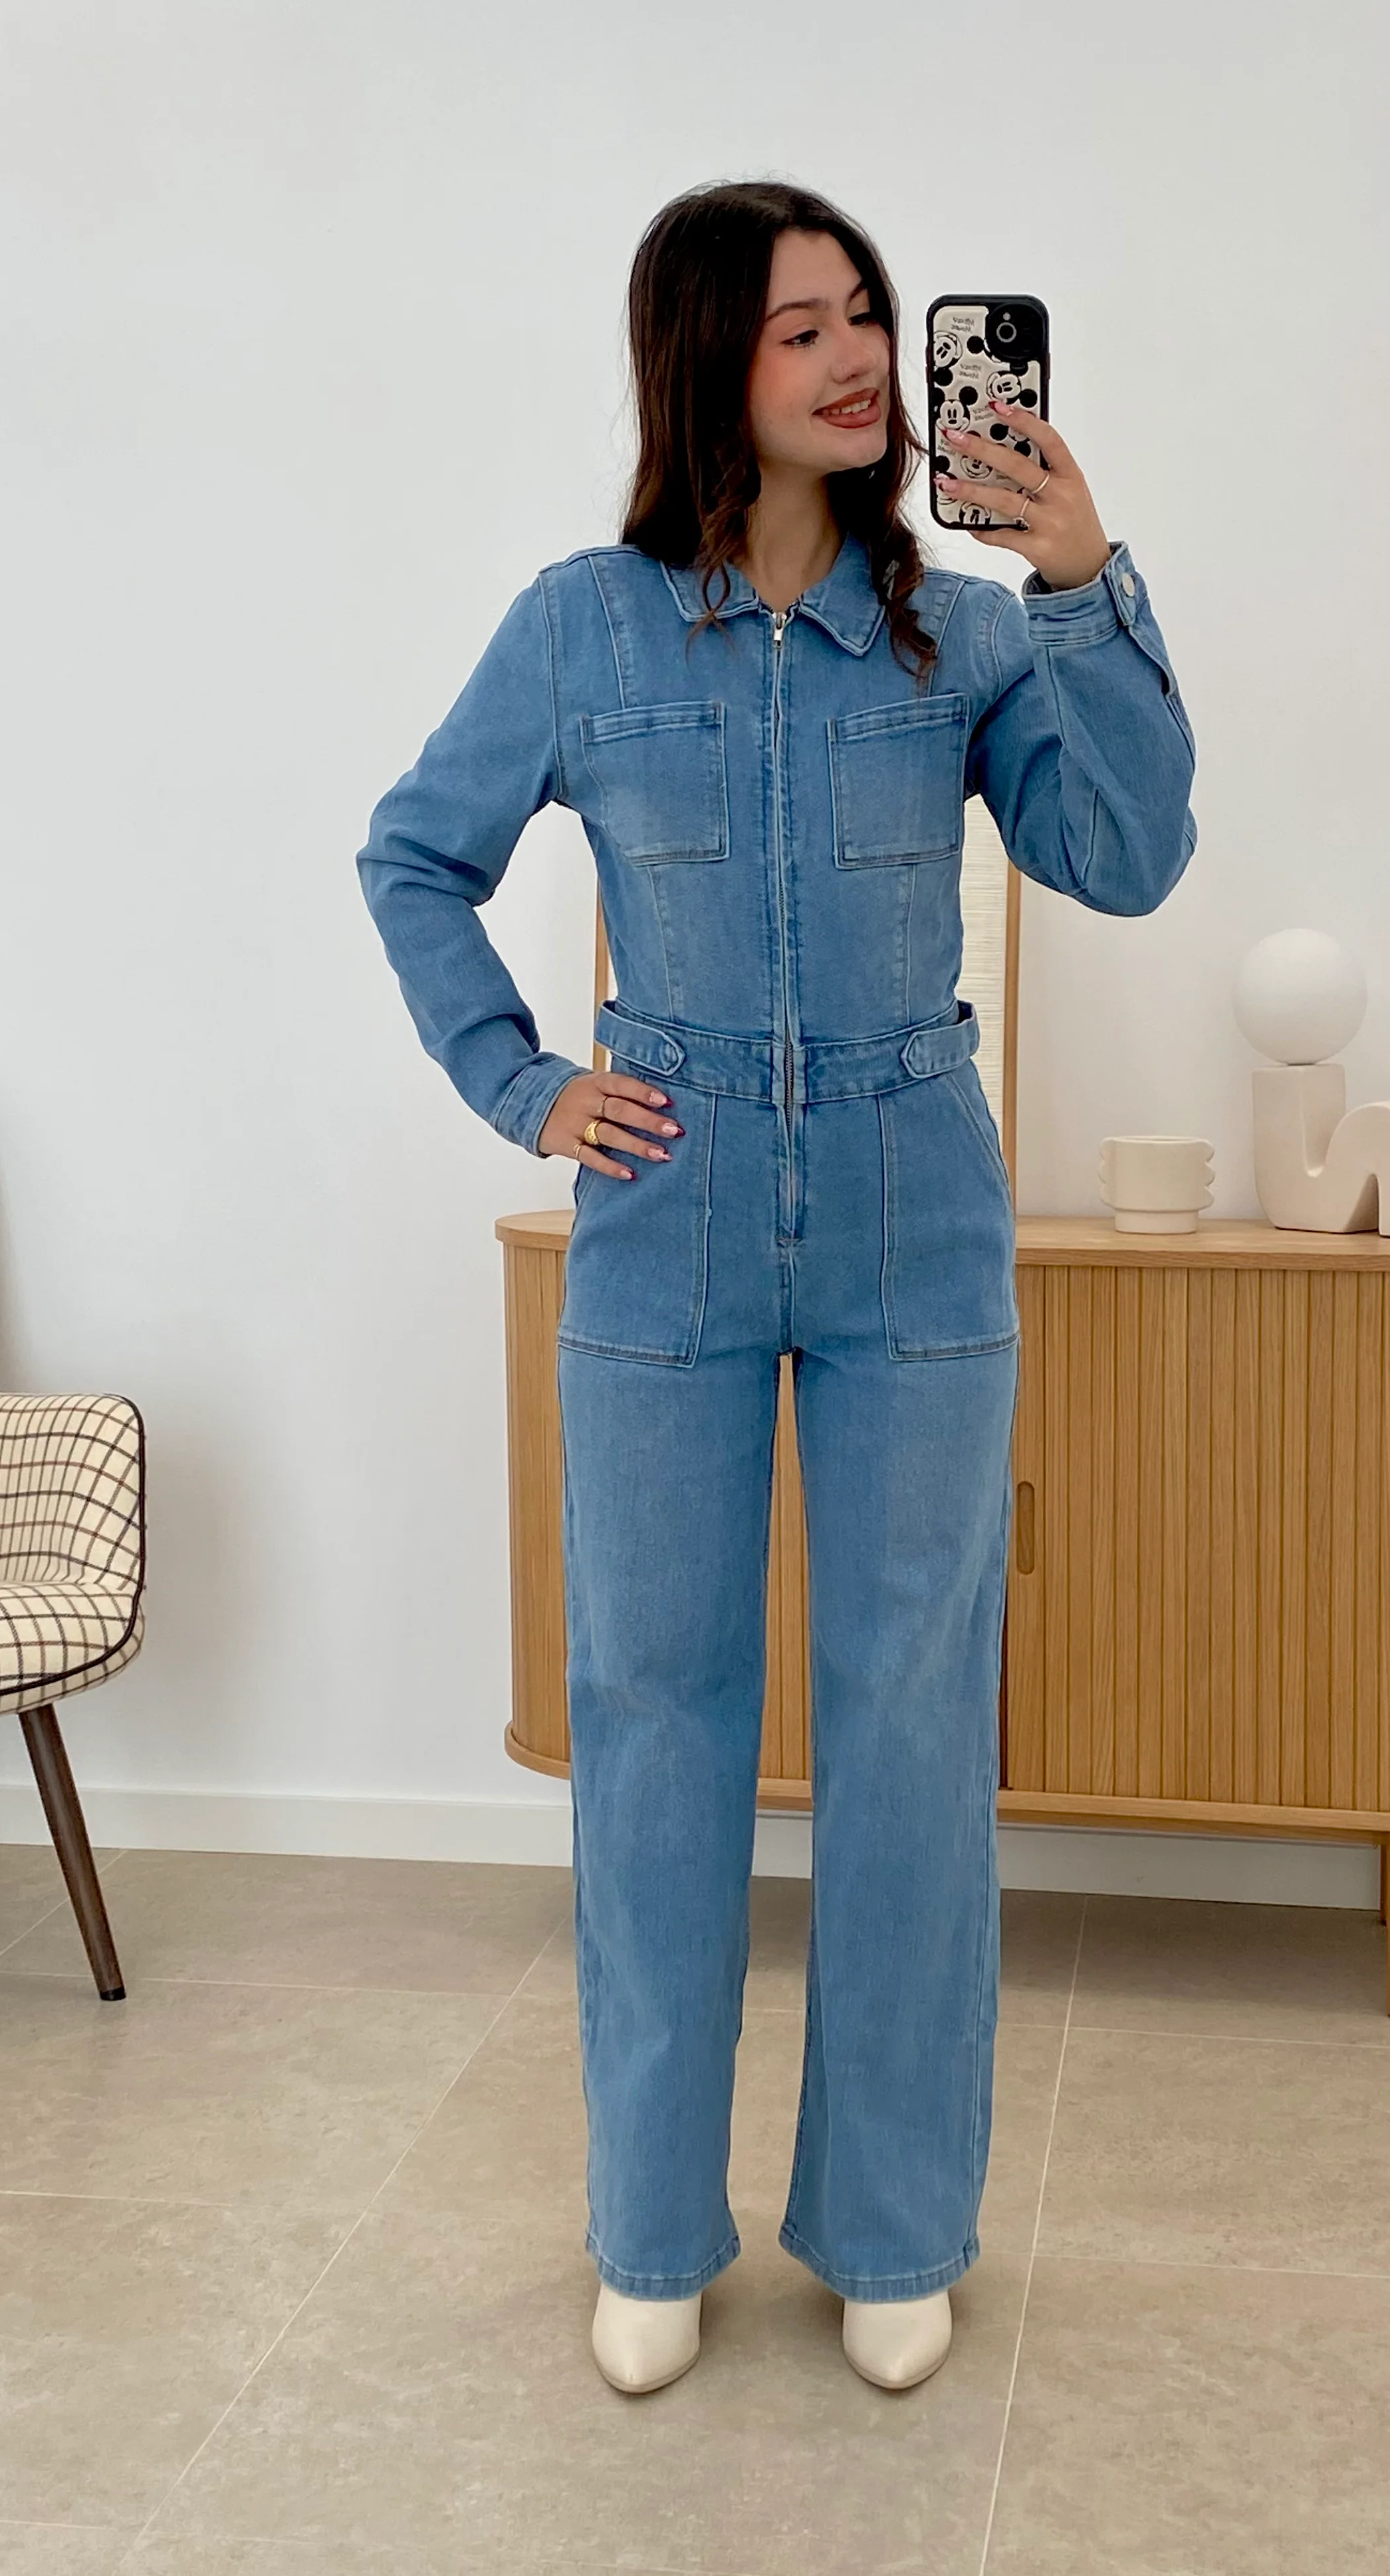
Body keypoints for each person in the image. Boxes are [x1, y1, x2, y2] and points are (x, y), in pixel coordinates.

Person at [358, 179, 1197, 2397]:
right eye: (800, 326)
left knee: (913, 1714)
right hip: (672, 1193)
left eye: (868, 320)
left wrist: (1086, 582)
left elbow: (1129, 857)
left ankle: (894, 2228)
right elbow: (414, 856)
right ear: (703, 362)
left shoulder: (970, 636)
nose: (856, 362)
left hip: (917, 1189)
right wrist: (526, 1083)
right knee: (655, 1710)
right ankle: (653, 2227)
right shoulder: (584, 630)